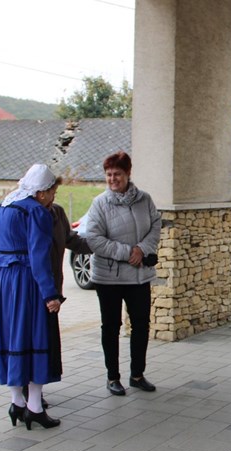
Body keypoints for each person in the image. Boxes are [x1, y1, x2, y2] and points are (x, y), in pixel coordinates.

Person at [0, 164, 63, 430]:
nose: (53, 198)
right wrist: (50, 293)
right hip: (27, 280)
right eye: (52, 192)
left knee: (12, 338)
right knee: (35, 337)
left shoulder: (2, 207)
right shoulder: (37, 212)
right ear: (41, 192)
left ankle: (17, 402)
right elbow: (39, 257)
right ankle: (35, 407)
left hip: (2, 280)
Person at [85, 151, 161, 396]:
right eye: (108, 174)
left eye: (117, 174)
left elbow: (156, 226)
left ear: (128, 173)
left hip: (139, 277)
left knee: (141, 325)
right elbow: (94, 239)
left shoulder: (145, 200)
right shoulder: (100, 203)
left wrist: (142, 249)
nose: (112, 179)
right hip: (109, 278)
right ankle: (112, 377)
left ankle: (137, 375)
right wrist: (128, 252)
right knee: (111, 327)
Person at [21, 193, 92, 409]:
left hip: (52, 288)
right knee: (29, 341)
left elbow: (71, 239)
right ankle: (27, 392)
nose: (51, 197)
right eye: (48, 191)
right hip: (31, 289)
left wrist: (102, 245)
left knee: (46, 342)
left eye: (53, 192)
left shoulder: (57, 212)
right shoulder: (25, 212)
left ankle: (35, 390)